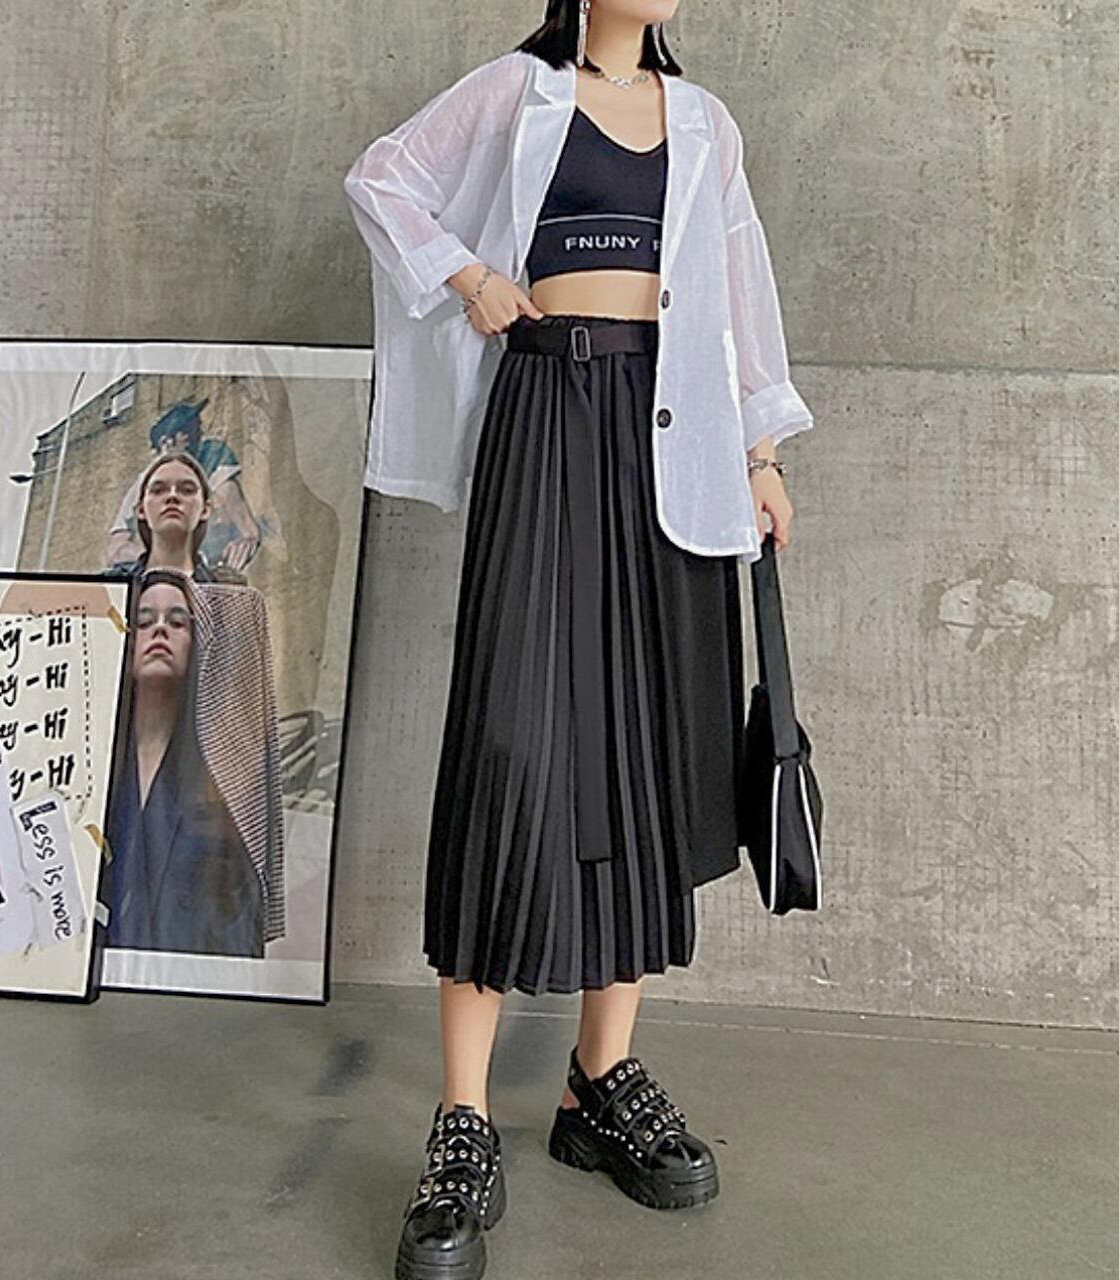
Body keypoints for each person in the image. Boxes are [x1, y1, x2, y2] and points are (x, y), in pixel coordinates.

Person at [344, 5, 814, 1279]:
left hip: (673, 438)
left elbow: (734, 296)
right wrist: (468, 277)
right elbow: (381, 177)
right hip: (546, 411)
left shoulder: (703, 121)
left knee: (651, 739)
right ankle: (460, 1114)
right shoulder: (517, 91)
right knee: (510, 739)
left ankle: (596, 1080)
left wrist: (760, 453)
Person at [103, 568, 265, 957]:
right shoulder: (97, 767)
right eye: (144, 621)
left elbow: (237, 911)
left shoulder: (221, 775)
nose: (160, 630)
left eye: (177, 622)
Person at [104, 400, 261, 576]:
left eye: (187, 490)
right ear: (166, 442)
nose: (198, 433)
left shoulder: (213, 458)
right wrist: (163, 558)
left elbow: (245, 524)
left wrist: (246, 541)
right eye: (188, 430)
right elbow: (115, 551)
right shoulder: (140, 487)